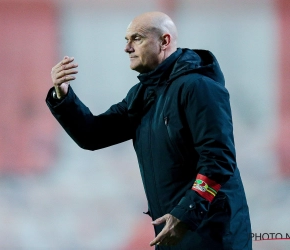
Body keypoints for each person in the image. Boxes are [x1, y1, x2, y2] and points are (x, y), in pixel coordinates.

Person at [46, 11, 252, 250]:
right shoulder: (142, 95)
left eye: (137, 38)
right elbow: (93, 134)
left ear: (164, 41)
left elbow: (218, 161)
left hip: (212, 234)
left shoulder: (199, 87)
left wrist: (185, 214)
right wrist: (63, 95)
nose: (127, 48)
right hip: (173, 231)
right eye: (126, 40)